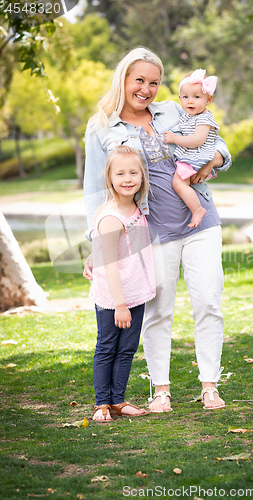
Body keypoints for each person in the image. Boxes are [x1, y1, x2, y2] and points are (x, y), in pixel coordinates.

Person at [83, 47, 232, 414]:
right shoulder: (102, 127)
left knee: (208, 302)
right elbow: (94, 192)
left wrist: (213, 159)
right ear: (124, 79)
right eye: (139, 80)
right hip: (149, 232)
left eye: (154, 82)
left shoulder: (173, 110)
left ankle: (210, 386)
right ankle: (161, 390)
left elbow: (215, 140)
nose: (146, 89)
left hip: (201, 221)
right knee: (157, 310)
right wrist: (97, 245)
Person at [88, 145, 155, 422]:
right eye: (120, 173)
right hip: (113, 298)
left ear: (142, 176)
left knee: (127, 349)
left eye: (133, 172)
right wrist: (119, 306)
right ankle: (102, 403)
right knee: (107, 347)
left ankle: (118, 400)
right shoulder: (111, 217)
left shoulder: (137, 208)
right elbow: (110, 264)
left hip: (135, 292)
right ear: (110, 178)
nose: (127, 179)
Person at [164, 68, 219, 228]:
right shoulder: (189, 116)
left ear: (208, 100)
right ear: (179, 98)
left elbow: (197, 140)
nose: (190, 101)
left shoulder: (204, 118)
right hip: (192, 155)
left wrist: (175, 138)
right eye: (186, 97)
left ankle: (197, 210)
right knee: (182, 183)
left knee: (179, 183)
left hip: (196, 156)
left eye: (196, 97)